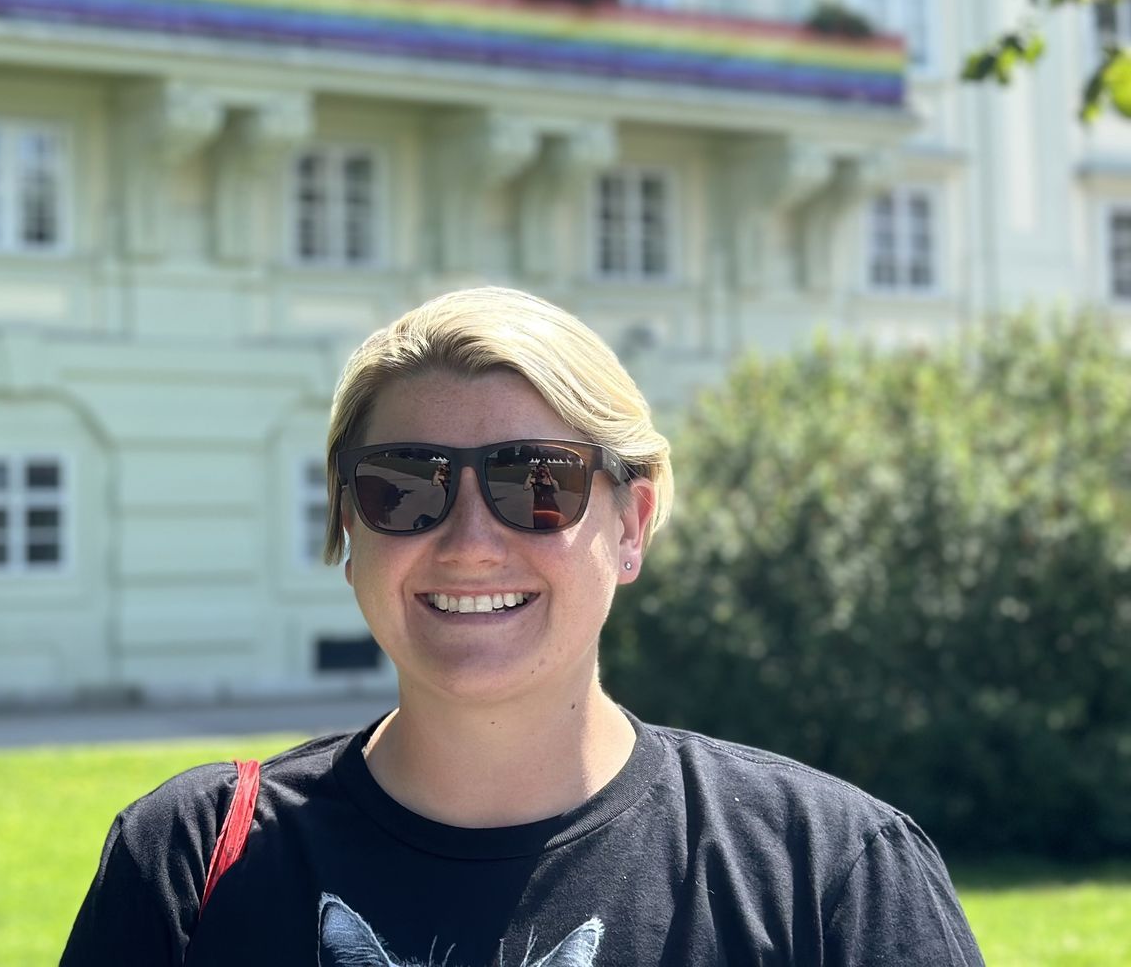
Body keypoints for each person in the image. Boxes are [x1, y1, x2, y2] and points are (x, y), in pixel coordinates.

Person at [59, 287, 984, 966]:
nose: (468, 542)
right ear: (348, 527)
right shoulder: (187, 865)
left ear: (631, 524)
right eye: (405, 485)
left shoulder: (828, 876)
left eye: (538, 484)